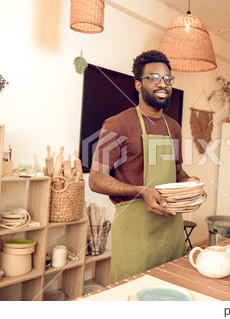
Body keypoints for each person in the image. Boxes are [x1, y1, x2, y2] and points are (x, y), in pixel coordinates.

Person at [89, 50, 201, 284]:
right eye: (155, 78)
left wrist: (190, 184)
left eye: (168, 79)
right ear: (138, 85)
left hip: (170, 229)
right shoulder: (117, 124)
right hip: (135, 232)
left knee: (172, 293)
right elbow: (96, 179)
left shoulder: (174, 127)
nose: (163, 84)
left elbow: (177, 172)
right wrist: (141, 191)